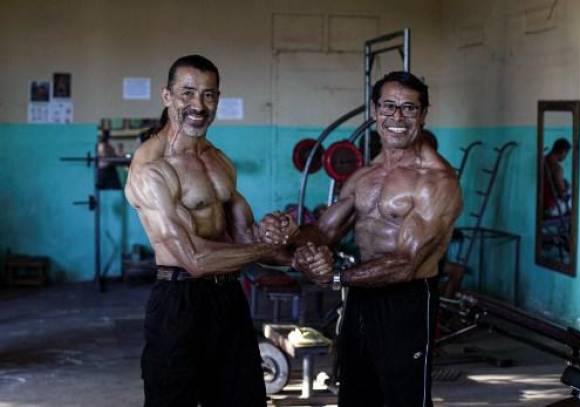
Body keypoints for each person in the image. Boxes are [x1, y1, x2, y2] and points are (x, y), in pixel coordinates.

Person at [262, 71, 463, 406]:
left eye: (409, 108)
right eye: (389, 106)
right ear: (374, 110)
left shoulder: (437, 181)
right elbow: (325, 232)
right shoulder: (363, 177)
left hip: (407, 301)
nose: (397, 117)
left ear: (423, 115)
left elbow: (406, 263)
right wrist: (288, 234)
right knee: (356, 392)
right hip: (360, 298)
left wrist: (336, 276)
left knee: (404, 398)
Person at [125, 55, 292, 407]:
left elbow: (246, 236)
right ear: (166, 96)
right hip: (178, 301)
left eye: (209, 95)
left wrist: (285, 237)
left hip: (228, 298)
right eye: (187, 93)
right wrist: (263, 249)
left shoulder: (218, 160)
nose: (198, 105)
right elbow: (195, 259)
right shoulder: (151, 168)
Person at [543, 137, 572, 217]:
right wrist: (567, 188)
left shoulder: (543, 161)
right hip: (551, 209)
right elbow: (563, 195)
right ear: (563, 152)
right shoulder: (557, 168)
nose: (565, 157)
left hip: (540, 205)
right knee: (577, 196)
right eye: (566, 154)